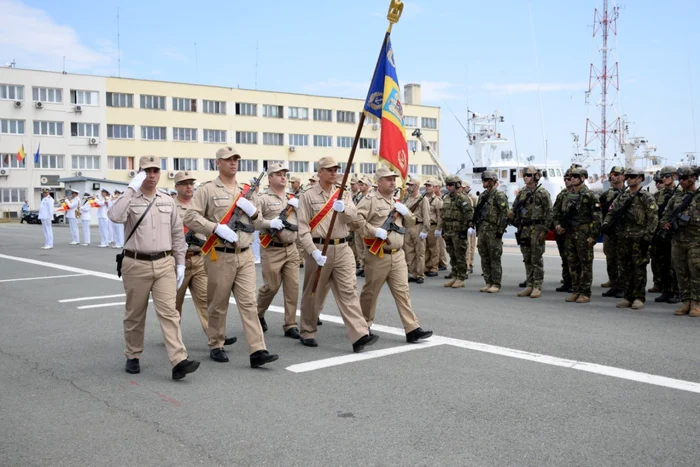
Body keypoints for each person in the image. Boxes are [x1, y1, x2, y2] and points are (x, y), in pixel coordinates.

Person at [183, 146, 279, 368]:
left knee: (248, 304)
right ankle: (216, 343)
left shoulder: (247, 190)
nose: (233, 163)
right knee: (218, 304)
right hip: (220, 255)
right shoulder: (207, 190)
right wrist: (214, 228)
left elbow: (258, 222)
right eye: (228, 160)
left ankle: (257, 350)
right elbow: (190, 216)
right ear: (218, 163)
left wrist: (254, 212)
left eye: (236, 159)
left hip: (244, 254)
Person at [108, 155, 200, 380]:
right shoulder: (131, 197)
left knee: (169, 313)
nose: (151, 175)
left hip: (164, 264)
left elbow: (178, 234)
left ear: (160, 174)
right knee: (135, 314)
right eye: (146, 171)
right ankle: (133, 355)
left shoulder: (167, 200)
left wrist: (180, 263)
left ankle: (179, 360)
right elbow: (114, 216)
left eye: (155, 171)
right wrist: (130, 188)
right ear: (140, 173)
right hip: (136, 263)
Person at [296, 156, 377, 353]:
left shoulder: (343, 194)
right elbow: (303, 228)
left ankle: (359, 334)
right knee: (313, 292)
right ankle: (307, 330)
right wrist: (313, 252)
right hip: (318, 248)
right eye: (329, 170)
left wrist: (344, 210)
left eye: (336, 169)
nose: (334, 173)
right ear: (320, 172)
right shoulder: (307, 196)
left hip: (342, 247)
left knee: (348, 290)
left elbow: (353, 216)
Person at [356, 166, 433, 342]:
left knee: (403, 291)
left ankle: (412, 328)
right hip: (378, 254)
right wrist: (374, 231)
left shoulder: (396, 201)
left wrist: (406, 212)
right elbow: (356, 221)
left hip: (398, 254)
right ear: (379, 182)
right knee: (371, 292)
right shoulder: (369, 200)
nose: (393, 182)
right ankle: (363, 327)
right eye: (389, 179)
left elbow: (412, 221)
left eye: (394, 179)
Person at [173, 171, 237, 348]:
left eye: (191, 183)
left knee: (205, 300)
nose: (189, 187)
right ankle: (173, 340)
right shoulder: (171, 206)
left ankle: (215, 335)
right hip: (178, 261)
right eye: (184, 183)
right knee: (174, 304)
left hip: (200, 258)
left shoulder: (201, 205)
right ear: (176, 187)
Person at [602, 168, 658, 310]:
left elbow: (653, 218)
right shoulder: (622, 196)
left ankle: (639, 297)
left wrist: (648, 236)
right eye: (627, 177)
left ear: (640, 178)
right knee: (625, 268)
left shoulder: (646, 197)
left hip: (639, 238)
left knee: (638, 268)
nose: (629, 179)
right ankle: (628, 296)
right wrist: (606, 224)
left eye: (633, 176)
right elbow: (612, 211)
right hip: (623, 238)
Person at [256, 163, 301, 339]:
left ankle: (290, 324)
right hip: (272, 249)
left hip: (291, 248)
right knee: (271, 286)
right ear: (270, 178)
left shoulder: (292, 198)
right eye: (278, 174)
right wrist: (270, 223)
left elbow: (303, 222)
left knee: (293, 287)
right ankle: (258, 313)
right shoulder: (262, 198)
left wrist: (300, 208)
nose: (283, 177)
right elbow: (255, 222)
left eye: (285, 174)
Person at [556, 167, 602, 304]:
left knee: (585, 264)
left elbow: (597, 219)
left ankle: (585, 293)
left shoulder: (590, 195)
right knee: (572, 263)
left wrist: (593, 236)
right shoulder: (568, 195)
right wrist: (559, 225)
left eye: (575, 176)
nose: (571, 179)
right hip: (570, 234)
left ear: (583, 178)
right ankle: (576, 290)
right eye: (570, 177)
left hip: (584, 233)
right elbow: (560, 212)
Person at [660, 166, 700, 317]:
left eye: (684, 178)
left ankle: (696, 303)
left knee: (696, 271)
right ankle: (686, 301)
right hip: (678, 240)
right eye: (680, 178)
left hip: (696, 240)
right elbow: (665, 214)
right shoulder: (676, 197)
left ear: (693, 178)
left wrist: (688, 219)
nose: (681, 181)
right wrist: (665, 223)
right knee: (681, 271)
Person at [510, 166, 552, 299]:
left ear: (535, 177)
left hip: (537, 228)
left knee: (536, 258)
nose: (526, 177)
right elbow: (515, 209)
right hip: (524, 229)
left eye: (528, 175)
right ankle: (529, 284)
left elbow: (549, 212)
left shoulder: (542, 193)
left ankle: (537, 286)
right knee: (527, 257)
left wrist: (544, 230)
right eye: (525, 175)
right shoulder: (522, 193)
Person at [474, 171, 509, 293]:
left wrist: (500, 231)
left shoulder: (499, 196)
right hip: (483, 230)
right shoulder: (483, 196)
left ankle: (496, 283)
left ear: (493, 181)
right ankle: (488, 282)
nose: (484, 182)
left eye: (487, 180)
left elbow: (505, 214)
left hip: (494, 231)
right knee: (484, 257)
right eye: (483, 180)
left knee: (494, 258)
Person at [651, 166, 681, 303]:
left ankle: (676, 291)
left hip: (676, 234)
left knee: (675, 265)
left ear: (674, 176)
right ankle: (666, 290)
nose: (664, 179)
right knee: (662, 264)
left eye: (667, 176)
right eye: (662, 177)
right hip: (661, 234)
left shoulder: (681, 193)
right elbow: (653, 214)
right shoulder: (658, 195)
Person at [438, 175, 473, 288]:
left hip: (458, 231)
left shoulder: (463, 198)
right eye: (447, 185)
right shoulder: (446, 197)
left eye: (451, 185)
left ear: (457, 185)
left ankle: (461, 278)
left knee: (460, 255)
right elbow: (443, 214)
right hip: (448, 231)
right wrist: (442, 229)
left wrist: (465, 230)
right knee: (452, 255)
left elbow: (468, 215)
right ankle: (455, 275)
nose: (448, 187)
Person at [599, 166, 625, 297]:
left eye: (616, 174)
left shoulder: (627, 193)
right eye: (611, 175)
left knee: (623, 259)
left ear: (623, 176)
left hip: (623, 231)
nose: (613, 177)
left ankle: (623, 285)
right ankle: (614, 283)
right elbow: (600, 209)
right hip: (610, 231)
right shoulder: (607, 194)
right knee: (610, 257)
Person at [403, 177, 430, 284]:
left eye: (411, 184)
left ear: (417, 186)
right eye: (408, 184)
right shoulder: (407, 198)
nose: (409, 186)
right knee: (409, 251)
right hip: (408, 227)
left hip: (418, 226)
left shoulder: (423, 199)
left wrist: (425, 230)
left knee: (420, 252)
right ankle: (412, 273)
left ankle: (420, 274)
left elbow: (426, 215)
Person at [423, 179, 442, 278]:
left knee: (433, 248)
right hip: (425, 226)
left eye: (429, 185)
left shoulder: (437, 200)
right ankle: (426, 266)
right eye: (426, 185)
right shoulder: (424, 199)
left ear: (434, 188)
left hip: (433, 226)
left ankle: (434, 267)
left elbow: (440, 215)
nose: (427, 187)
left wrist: (438, 228)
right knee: (425, 247)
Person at [354, 177, 372, 277]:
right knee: (359, 247)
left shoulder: (370, 197)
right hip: (357, 226)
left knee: (366, 248)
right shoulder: (359, 196)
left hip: (365, 226)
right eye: (359, 184)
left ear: (368, 186)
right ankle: (362, 266)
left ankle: (367, 267)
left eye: (362, 184)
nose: (360, 186)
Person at [462, 183, 478, 274]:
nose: (463, 189)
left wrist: (473, 225)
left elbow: (475, 211)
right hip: (464, 224)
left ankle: (470, 264)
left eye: (465, 187)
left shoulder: (473, 198)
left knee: (471, 246)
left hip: (471, 225)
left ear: (468, 187)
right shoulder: (462, 197)